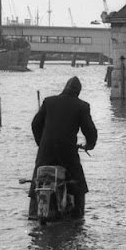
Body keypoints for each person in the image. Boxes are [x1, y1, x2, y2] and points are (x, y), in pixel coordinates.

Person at [30, 76, 97, 218]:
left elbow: (35, 124)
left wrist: (40, 143)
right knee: (78, 184)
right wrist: (89, 145)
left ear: (64, 88)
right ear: (78, 92)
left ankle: (34, 212)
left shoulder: (49, 102)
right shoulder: (82, 106)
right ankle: (77, 217)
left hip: (45, 152)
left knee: (38, 180)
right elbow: (90, 130)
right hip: (67, 154)